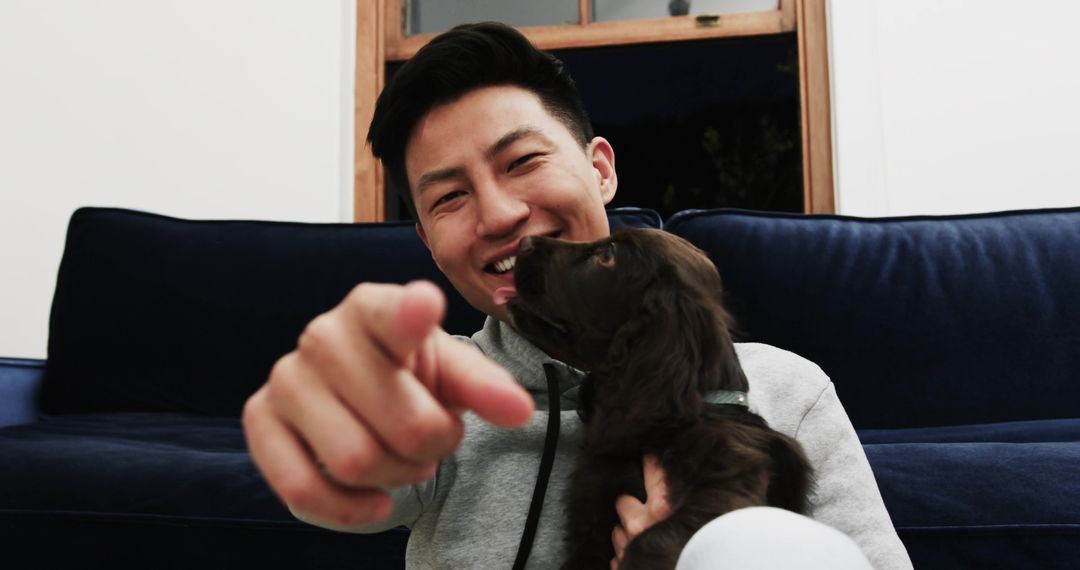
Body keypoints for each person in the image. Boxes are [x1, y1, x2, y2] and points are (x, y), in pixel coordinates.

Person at [242, 22, 912, 570]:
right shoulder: (441, 387)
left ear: (600, 170)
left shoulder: (786, 391)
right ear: (426, 241)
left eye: (523, 162)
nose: (499, 213)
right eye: (450, 197)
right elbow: (348, 465)